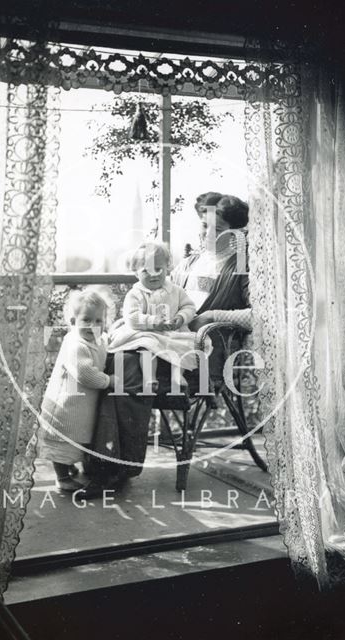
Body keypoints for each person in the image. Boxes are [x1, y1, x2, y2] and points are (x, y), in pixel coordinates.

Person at [84, 192, 251, 498]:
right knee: (116, 369)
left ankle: (111, 468)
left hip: (200, 355)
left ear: (238, 231)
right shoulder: (190, 261)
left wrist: (211, 314)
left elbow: (259, 315)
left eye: (217, 227)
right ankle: (107, 465)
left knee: (125, 372)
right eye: (203, 226)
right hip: (164, 345)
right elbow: (159, 298)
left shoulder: (241, 266)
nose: (206, 234)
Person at [37, 289, 115, 492]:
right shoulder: (75, 344)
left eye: (99, 321)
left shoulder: (98, 339)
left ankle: (69, 467)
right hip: (65, 406)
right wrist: (109, 380)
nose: (93, 326)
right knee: (62, 442)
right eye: (86, 320)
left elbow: (106, 346)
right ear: (73, 321)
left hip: (80, 406)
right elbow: (85, 374)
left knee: (75, 440)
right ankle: (62, 477)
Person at [108, 242, 197, 391]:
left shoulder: (176, 291)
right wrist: (153, 321)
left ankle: (177, 375)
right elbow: (131, 317)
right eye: (146, 271)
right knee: (148, 347)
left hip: (173, 331)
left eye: (158, 269)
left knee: (185, 346)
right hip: (148, 332)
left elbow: (189, 307)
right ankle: (150, 378)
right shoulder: (135, 294)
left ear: (167, 268)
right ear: (136, 273)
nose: (153, 274)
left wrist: (180, 318)